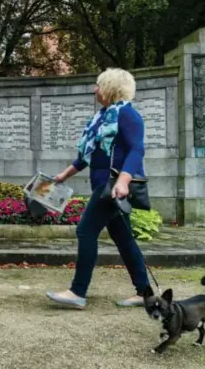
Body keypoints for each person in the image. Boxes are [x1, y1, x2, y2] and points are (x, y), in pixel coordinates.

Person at [46, 68, 150, 309]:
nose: (94, 89)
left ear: (111, 88)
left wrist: (124, 181)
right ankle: (145, 293)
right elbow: (87, 156)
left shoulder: (127, 115)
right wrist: (63, 175)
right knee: (123, 239)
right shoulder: (103, 118)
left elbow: (137, 150)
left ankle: (77, 292)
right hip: (106, 187)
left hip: (112, 187)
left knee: (85, 231)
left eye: (98, 85)